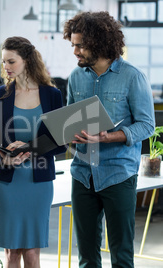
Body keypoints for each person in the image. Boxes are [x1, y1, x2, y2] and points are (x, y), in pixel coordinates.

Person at [63, 11, 155, 267]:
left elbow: (147, 125)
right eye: (73, 45)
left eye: (80, 45)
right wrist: (68, 136)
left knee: (121, 255)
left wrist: (109, 136)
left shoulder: (132, 77)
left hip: (118, 174)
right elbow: (71, 121)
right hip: (82, 174)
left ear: (99, 42)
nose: (75, 51)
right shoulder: (75, 77)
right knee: (87, 257)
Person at [0, 36, 66, 268]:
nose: (6, 67)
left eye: (11, 61)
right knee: (12, 252)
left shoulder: (52, 95)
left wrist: (31, 146)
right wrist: (2, 158)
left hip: (38, 182)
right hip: (9, 182)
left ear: (27, 60)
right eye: (3, 62)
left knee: (32, 252)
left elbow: (60, 143)